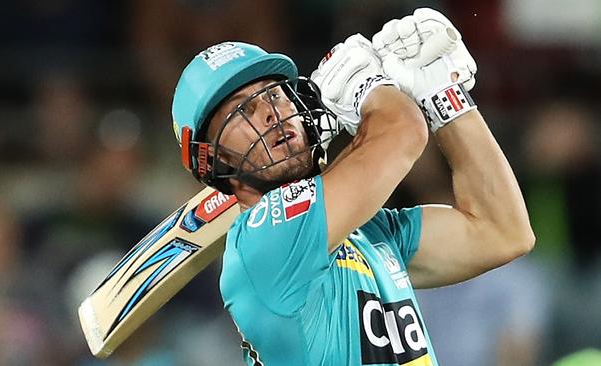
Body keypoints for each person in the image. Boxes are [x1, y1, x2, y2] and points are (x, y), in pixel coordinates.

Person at [170, 8, 534, 366]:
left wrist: (444, 96)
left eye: (276, 95)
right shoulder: (262, 242)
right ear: (215, 160)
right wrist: (368, 86)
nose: (271, 112)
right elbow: (402, 133)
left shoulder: (368, 231)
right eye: (241, 111)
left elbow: (503, 231)